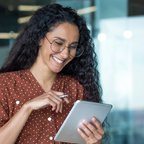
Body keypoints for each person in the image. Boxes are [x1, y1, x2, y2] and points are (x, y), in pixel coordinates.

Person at [0, 3, 105, 144]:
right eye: (58, 43)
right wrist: (27, 107)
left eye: (73, 47)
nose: (65, 53)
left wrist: (95, 141)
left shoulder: (75, 89)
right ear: (39, 38)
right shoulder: (5, 85)